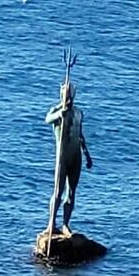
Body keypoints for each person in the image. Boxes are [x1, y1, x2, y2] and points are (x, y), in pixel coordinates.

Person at [45, 73, 95, 234]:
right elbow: (48, 119)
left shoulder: (79, 113)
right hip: (63, 156)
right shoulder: (57, 111)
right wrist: (59, 115)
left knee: (71, 192)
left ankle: (65, 224)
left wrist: (87, 154)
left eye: (70, 95)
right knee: (57, 192)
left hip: (75, 156)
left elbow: (80, 135)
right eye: (66, 95)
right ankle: (51, 224)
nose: (68, 98)